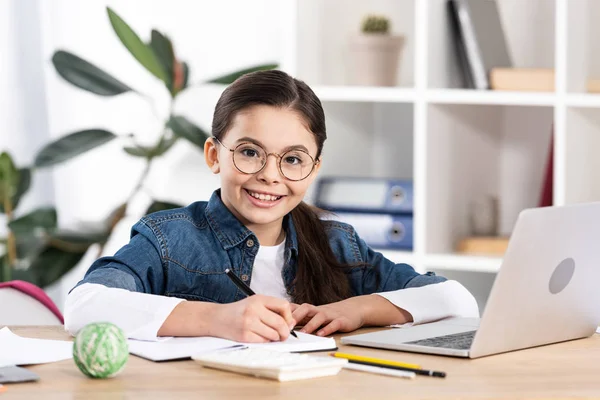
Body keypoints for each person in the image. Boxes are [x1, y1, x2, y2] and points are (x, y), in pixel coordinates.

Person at [64, 70, 478, 343]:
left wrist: (358, 308)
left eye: (293, 159)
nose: (270, 175)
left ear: (314, 169)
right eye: (249, 152)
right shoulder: (170, 239)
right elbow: (85, 305)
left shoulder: (337, 243)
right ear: (214, 155)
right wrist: (216, 320)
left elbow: (456, 300)